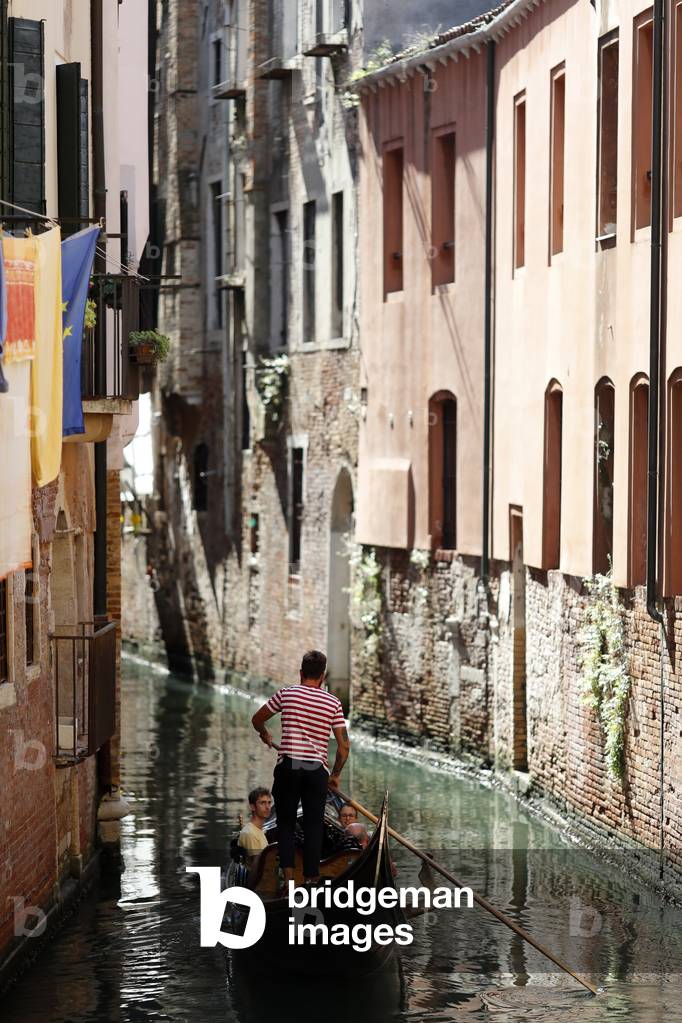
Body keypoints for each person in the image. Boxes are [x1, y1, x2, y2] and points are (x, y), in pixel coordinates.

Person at [251, 649, 350, 885]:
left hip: (289, 767)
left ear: (300, 673)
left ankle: (288, 881)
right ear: (322, 677)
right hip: (316, 771)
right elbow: (344, 747)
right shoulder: (333, 703)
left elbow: (257, 718)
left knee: (286, 824)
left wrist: (264, 734)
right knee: (314, 825)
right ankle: (311, 880)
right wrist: (335, 775)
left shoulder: (287, 694)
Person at [238, 787, 273, 861]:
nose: (268, 807)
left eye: (269, 803)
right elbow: (257, 868)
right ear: (253, 807)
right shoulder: (250, 834)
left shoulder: (258, 830)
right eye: (262, 803)